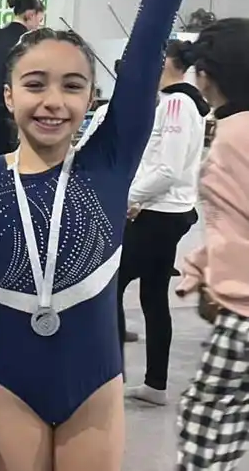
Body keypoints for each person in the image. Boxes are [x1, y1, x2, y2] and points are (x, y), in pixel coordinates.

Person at [0, 0, 188, 468]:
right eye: (35, 84)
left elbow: (144, 56)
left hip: (93, 391)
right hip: (14, 390)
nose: (54, 101)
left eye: (72, 86)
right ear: (8, 95)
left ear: (91, 98)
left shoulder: (110, 161)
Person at [175, 17, 249, 470]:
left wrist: (211, 277)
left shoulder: (233, 137)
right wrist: (201, 265)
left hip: (243, 312)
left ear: (207, 75)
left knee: (206, 418)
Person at [119, 39, 208, 405]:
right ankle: (154, 383)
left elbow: (167, 169)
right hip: (164, 210)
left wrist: (129, 197)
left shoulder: (174, 103)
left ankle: (109, 380)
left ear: (167, 63)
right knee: (153, 297)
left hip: (160, 214)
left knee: (111, 286)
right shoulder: (182, 103)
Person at [0, 0, 45, 156]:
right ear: (30, 15)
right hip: (6, 115)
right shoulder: (29, 42)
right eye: (39, 21)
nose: (38, 26)